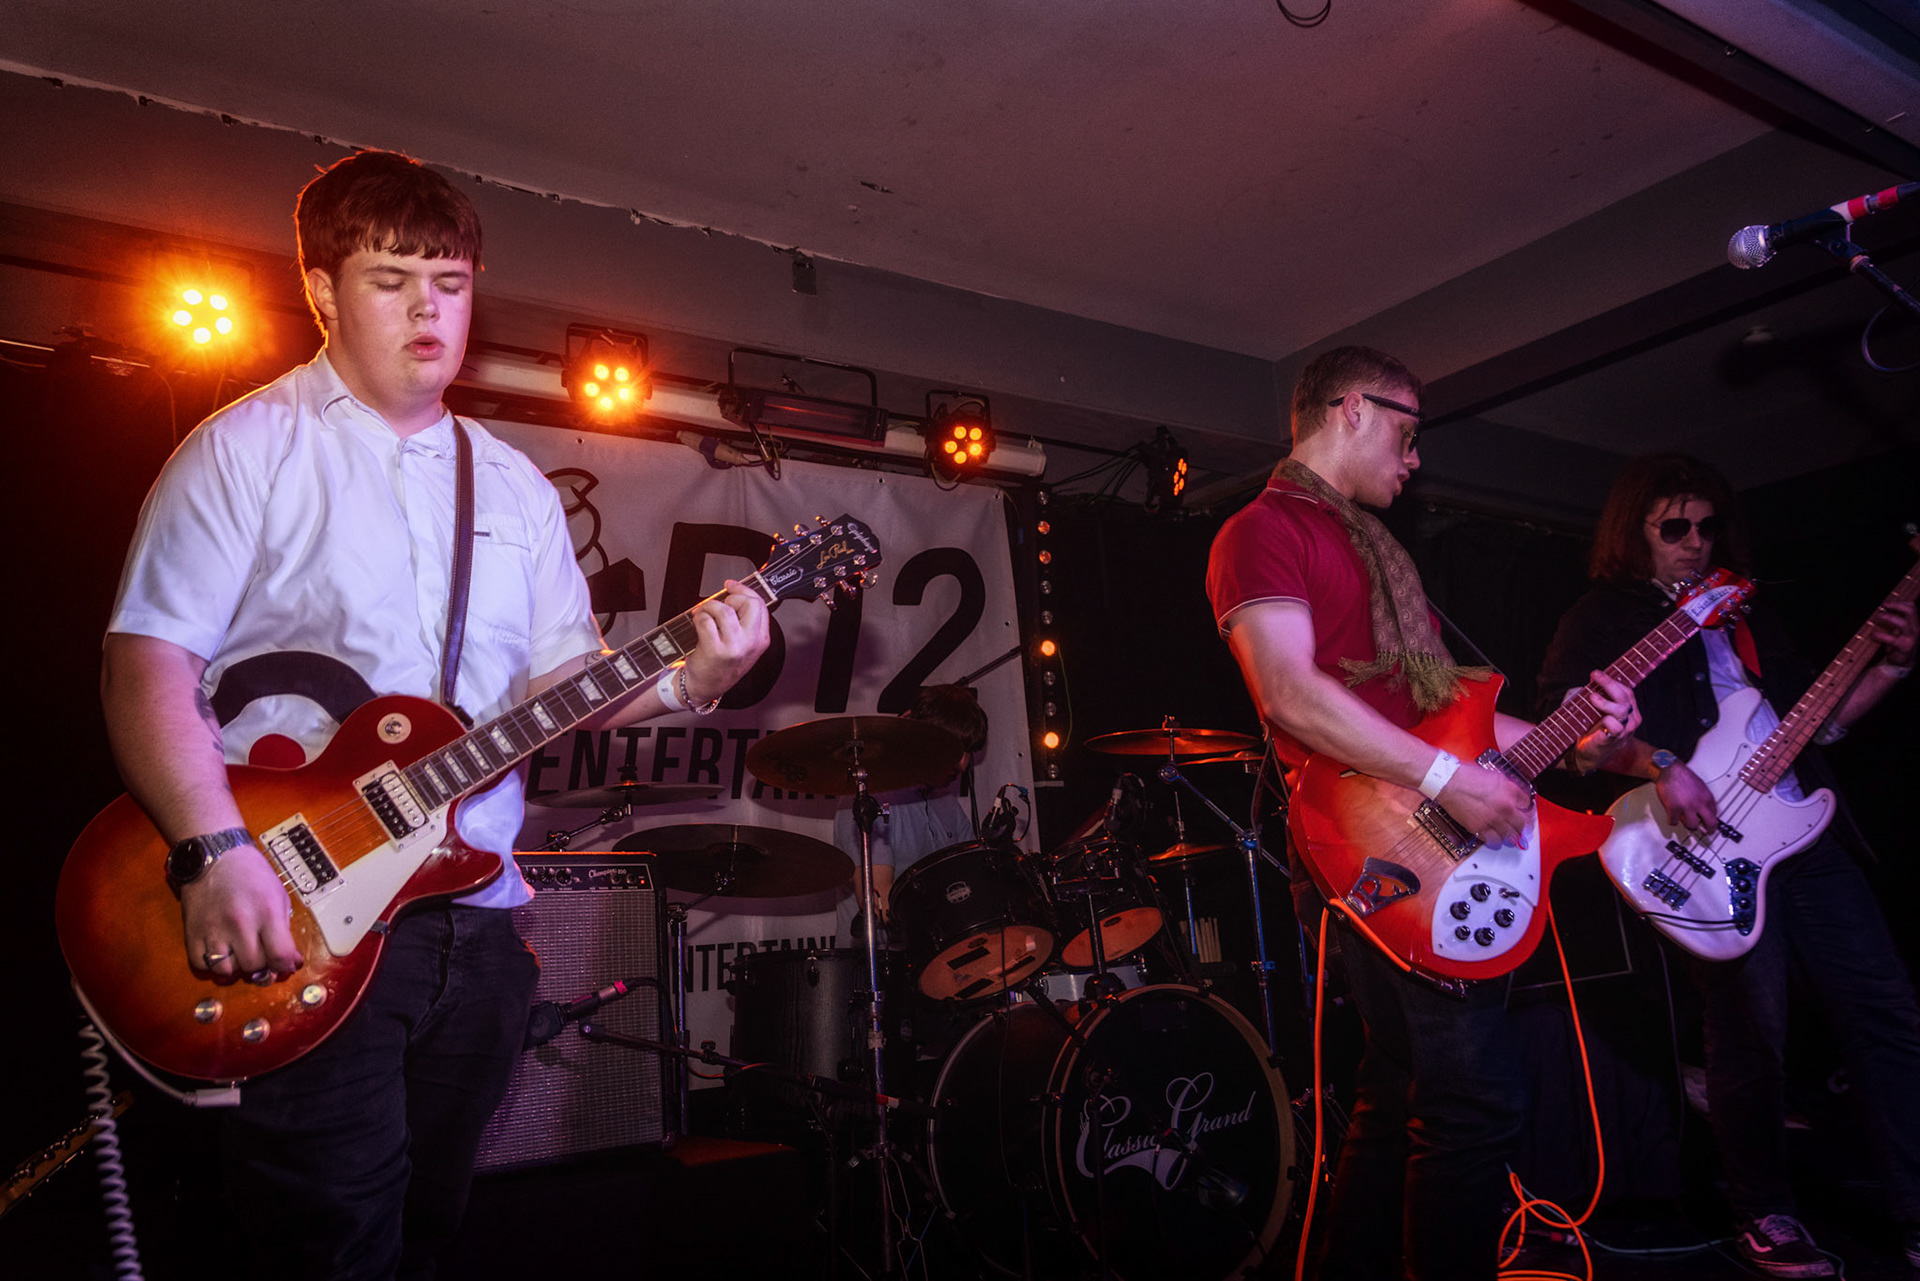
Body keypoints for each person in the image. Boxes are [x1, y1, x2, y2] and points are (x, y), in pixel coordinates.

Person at [100, 149, 769, 1279]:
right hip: (305, 919)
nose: (429, 310)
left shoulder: (511, 487)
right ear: (321, 289)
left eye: (450, 284)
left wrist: (692, 677)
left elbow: (563, 685)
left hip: (481, 922)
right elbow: (147, 661)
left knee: (427, 1234)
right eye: (392, 279)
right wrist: (212, 850)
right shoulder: (246, 450)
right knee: (330, 1248)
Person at [1206, 345, 1641, 1280]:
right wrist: (1450, 782)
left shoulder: (1382, 556)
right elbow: (1289, 693)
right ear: (1351, 410)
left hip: (1414, 832)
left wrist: (1581, 736)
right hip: (1363, 839)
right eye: (1407, 433)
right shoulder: (1263, 528)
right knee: (1475, 1103)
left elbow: (1451, 720)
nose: (1416, 458)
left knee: (1401, 1086)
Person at [1535, 451, 1920, 1278]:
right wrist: (1660, 762)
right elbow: (1572, 735)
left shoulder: (1745, 611)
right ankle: (1764, 1212)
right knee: (1751, 1027)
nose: (1695, 542)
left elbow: (1814, 724)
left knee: (1887, 1010)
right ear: (1634, 531)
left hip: (1802, 832)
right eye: (1674, 526)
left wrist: (1890, 666)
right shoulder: (1603, 616)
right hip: (1708, 842)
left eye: (1708, 526)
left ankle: (1915, 1208)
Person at [832, 683, 988, 938]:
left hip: (937, 949)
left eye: (968, 751)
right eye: (955, 749)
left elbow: (969, 879)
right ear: (922, 741)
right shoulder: (870, 796)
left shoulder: (946, 801)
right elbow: (880, 905)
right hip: (883, 958)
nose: (962, 764)